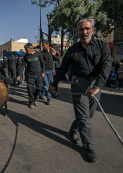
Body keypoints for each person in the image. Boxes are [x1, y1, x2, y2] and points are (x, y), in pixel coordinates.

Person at [48, 18, 111, 162]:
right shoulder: (72, 50)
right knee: (84, 116)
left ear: (93, 30)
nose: (84, 32)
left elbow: (106, 67)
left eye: (87, 28)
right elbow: (62, 69)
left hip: (95, 84)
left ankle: (74, 130)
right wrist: (54, 85)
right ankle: (89, 148)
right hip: (78, 84)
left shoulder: (102, 46)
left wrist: (97, 86)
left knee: (90, 113)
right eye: (81, 29)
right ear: (77, 32)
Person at [17, 43, 45, 109]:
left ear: (31, 49)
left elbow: (43, 63)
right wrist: (19, 75)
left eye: (26, 50)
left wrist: (43, 72)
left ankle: (34, 99)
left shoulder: (38, 53)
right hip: (30, 76)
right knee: (30, 89)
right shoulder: (26, 56)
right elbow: (22, 66)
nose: (26, 51)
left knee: (39, 87)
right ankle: (31, 102)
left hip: (38, 75)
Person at [39, 40, 58, 105]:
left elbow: (56, 60)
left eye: (44, 45)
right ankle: (49, 98)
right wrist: (41, 71)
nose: (43, 46)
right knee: (46, 84)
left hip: (50, 70)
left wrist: (54, 55)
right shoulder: (42, 53)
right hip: (43, 70)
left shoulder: (52, 52)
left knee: (46, 84)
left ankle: (41, 94)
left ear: (47, 45)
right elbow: (40, 63)